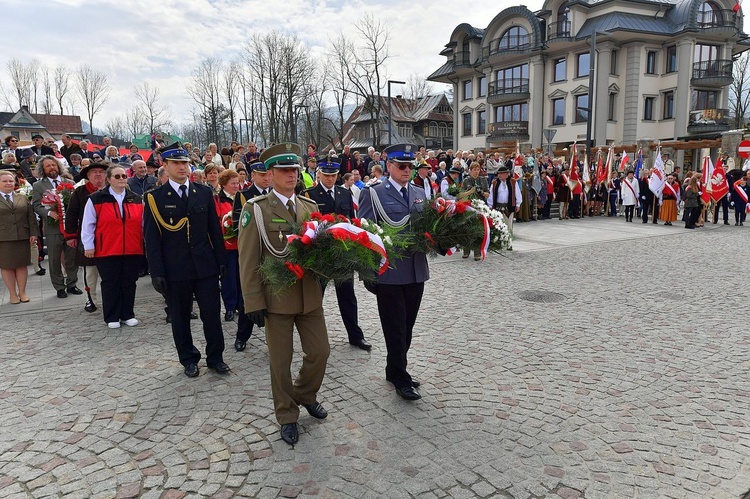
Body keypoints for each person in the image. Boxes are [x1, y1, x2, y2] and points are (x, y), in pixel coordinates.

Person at [238, 142, 330, 446]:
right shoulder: (257, 210)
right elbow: (249, 259)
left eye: (295, 169)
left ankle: (304, 393)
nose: (292, 174)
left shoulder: (310, 207)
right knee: (280, 362)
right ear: (270, 174)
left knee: (320, 352)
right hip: (276, 299)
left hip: (309, 297)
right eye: (285, 170)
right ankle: (287, 414)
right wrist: (252, 301)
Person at [143, 143, 229, 378]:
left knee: (211, 314)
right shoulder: (155, 198)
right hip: (175, 268)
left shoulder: (202, 192)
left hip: (205, 265)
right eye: (177, 163)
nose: (182, 167)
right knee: (180, 317)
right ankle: (188, 359)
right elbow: (151, 239)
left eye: (185, 163)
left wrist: (221, 260)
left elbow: (214, 230)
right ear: (166, 165)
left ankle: (216, 357)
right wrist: (157, 272)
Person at [358, 144, 428, 401]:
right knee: (395, 327)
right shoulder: (374, 193)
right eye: (402, 166)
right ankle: (400, 376)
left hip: (416, 270)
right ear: (389, 166)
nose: (407, 170)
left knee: (407, 326)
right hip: (389, 273)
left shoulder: (420, 192)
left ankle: (394, 367)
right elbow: (364, 234)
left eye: (411, 166)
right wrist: (367, 272)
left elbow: (428, 228)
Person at [303, 159, 372, 351]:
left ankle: (355, 335)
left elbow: (350, 220)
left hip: (342, 253)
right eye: (326, 175)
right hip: (321, 254)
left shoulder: (344, 192)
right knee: (316, 297)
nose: (330, 178)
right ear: (319, 175)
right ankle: (311, 337)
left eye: (333, 175)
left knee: (347, 296)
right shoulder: (309, 195)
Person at [81, 165, 144, 328]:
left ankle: (127, 314)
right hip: (107, 249)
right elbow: (88, 224)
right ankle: (112, 316)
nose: (122, 179)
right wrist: (88, 245)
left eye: (124, 176)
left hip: (132, 248)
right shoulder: (96, 199)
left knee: (129, 282)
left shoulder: (136, 198)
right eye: (117, 176)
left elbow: (143, 224)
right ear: (109, 180)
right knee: (111, 283)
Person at [31, 155, 82, 298]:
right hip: (53, 228)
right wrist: (48, 213)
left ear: (58, 166)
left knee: (71, 257)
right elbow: (35, 205)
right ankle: (59, 287)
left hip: (70, 227)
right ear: (43, 169)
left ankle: (72, 284)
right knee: (54, 259)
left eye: (53, 165)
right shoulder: (38, 185)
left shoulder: (70, 182)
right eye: (48, 166)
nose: (51, 168)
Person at [65, 162, 108, 313]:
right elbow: (71, 215)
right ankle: (90, 299)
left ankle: (111, 299)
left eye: (101, 172)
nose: (98, 175)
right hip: (88, 237)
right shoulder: (80, 192)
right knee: (90, 272)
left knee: (110, 272)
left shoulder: (113, 190)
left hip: (109, 239)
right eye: (94, 172)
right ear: (88, 176)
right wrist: (70, 236)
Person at [0, 170, 38, 304]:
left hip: (22, 236)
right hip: (3, 238)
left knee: (22, 265)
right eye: (5, 181)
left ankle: (22, 292)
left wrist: (33, 233)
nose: (8, 183)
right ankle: (12, 294)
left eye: (11, 181)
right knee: (7, 266)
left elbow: (31, 217)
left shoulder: (21, 197)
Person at [489, 165, 522, 250]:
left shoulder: (513, 182)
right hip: (498, 207)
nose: (499, 175)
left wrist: (518, 204)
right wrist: (490, 206)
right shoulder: (494, 183)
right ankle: (498, 243)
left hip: (509, 207)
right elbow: (491, 195)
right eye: (498, 174)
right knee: (498, 226)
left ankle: (509, 244)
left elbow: (517, 193)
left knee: (509, 226)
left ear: (506, 174)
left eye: (501, 174)